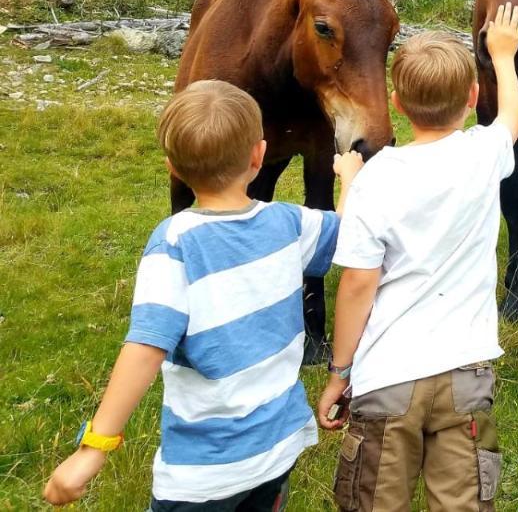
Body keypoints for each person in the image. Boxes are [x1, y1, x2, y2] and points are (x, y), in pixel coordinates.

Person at [43, 79, 363, 510]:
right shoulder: (288, 224)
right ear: (259, 155)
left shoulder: (175, 243)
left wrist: (94, 448)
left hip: (203, 473)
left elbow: (144, 348)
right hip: (276, 449)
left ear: (171, 167)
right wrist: (350, 181)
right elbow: (342, 231)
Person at [318, 2, 518, 512]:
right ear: (472, 97)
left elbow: (357, 285)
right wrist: (503, 55)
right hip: (466, 375)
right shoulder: (483, 155)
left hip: (388, 380)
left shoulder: (377, 179)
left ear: (396, 103)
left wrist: (339, 372)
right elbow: (513, 116)